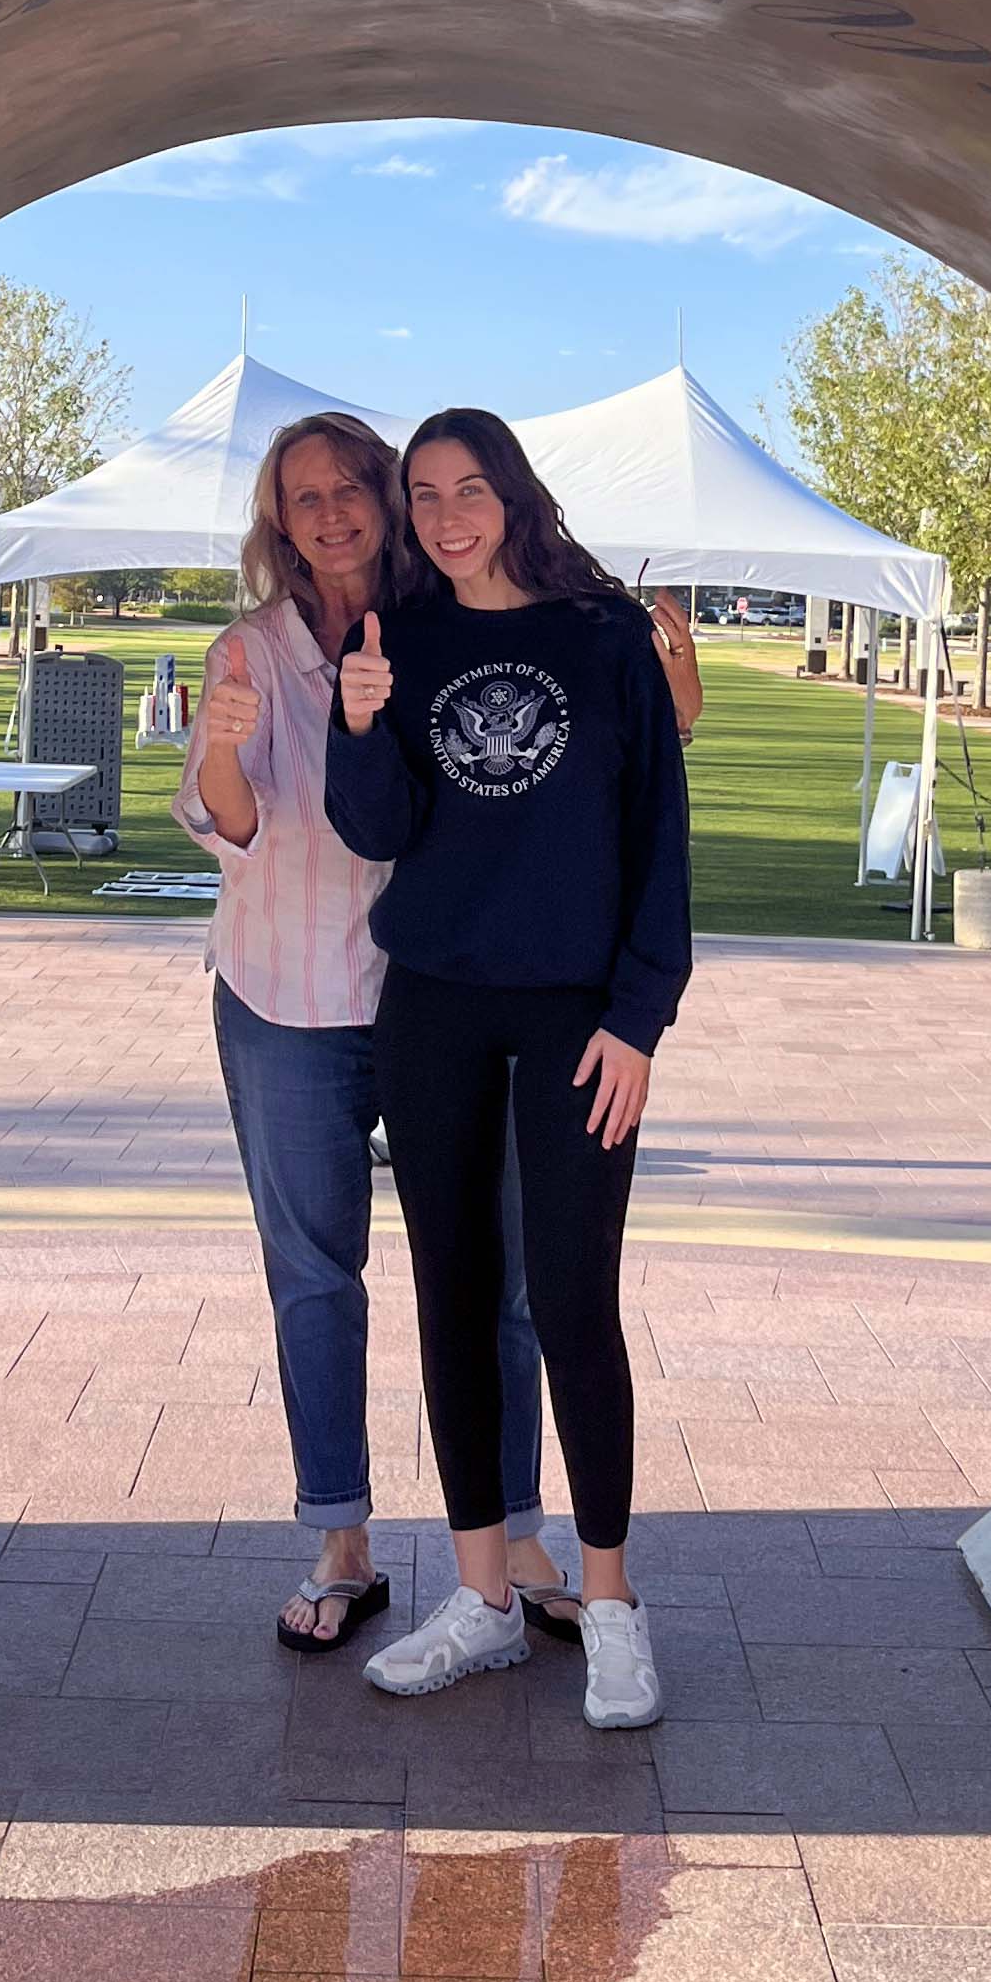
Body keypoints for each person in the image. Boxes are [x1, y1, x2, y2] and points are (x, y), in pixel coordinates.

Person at [178, 415, 584, 1652]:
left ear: (389, 501)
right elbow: (223, 823)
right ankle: (341, 1539)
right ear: (279, 522)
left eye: (354, 487)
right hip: (282, 1002)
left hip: (442, 998)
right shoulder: (245, 650)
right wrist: (226, 745)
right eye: (305, 498)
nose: (334, 513)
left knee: (498, 1276)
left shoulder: (440, 632)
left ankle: (514, 1531)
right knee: (315, 1277)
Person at [326, 407, 692, 1732]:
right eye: (423, 493)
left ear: (514, 495)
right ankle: (481, 1597)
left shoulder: (603, 639)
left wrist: (640, 1019)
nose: (443, 512)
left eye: (467, 487)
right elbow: (379, 831)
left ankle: (611, 1605)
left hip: (577, 1019)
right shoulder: (402, 641)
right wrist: (360, 724)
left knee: (577, 1299)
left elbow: (658, 833)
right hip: (432, 1007)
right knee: (455, 1297)